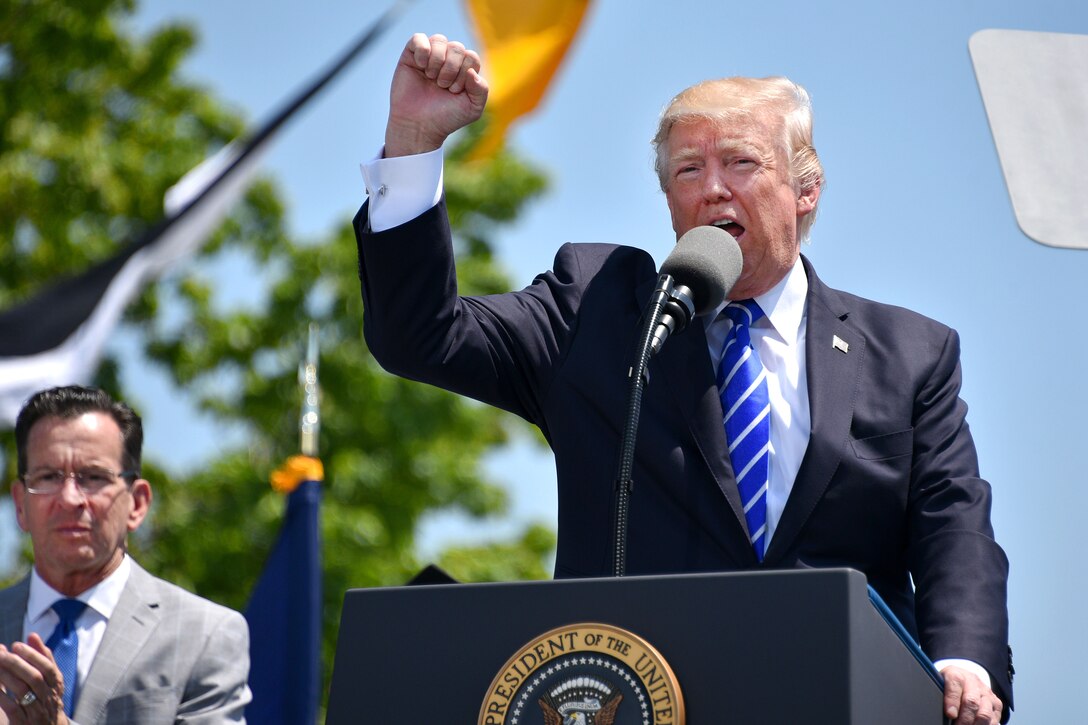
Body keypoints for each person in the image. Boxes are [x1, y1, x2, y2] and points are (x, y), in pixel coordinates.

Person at [355, 33, 1013, 724]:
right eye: (688, 170)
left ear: (807, 189)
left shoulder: (910, 352)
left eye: (741, 162)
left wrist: (961, 661)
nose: (713, 188)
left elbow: (953, 525)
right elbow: (420, 336)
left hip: (844, 695)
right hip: (639, 696)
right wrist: (412, 141)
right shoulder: (598, 307)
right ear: (668, 198)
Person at [0, 386, 251, 724]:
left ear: (138, 503)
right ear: (20, 504)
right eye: (48, 477)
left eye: (93, 477)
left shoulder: (205, 635)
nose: (70, 498)